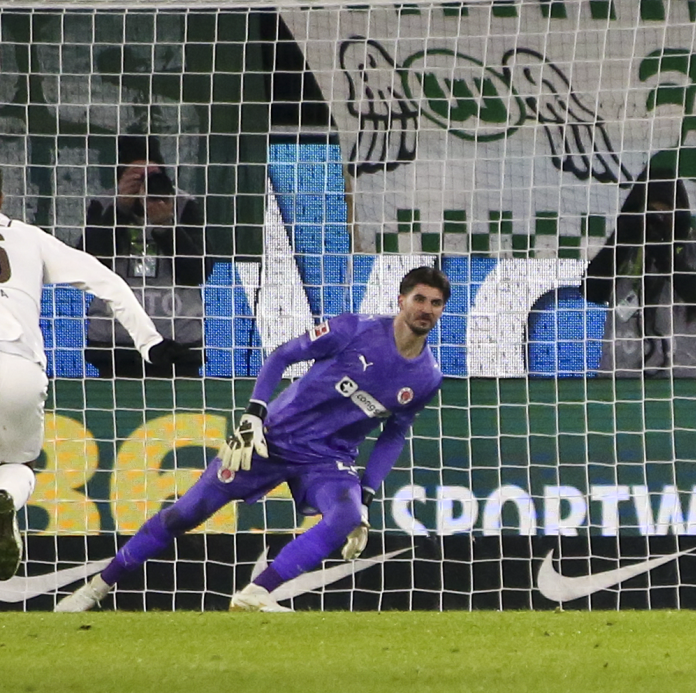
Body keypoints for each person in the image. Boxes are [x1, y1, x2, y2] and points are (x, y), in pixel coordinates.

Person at [56, 265, 449, 612]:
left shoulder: (427, 377)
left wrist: (366, 495)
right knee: (184, 514)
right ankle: (96, 588)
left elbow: (395, 433)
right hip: (272, 440)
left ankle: (256, 593)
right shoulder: (354, 329)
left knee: (345, 514)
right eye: (419, 299)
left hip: (327, 458)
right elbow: (281, 355)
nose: (426, 309)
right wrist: (254, 415)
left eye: (435, 303)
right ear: (401, 300)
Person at [0, 172, 194, 581]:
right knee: (19, 463)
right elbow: (109, 282)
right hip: (18, 371)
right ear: (1, 197)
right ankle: (7, 498)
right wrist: (151, 343)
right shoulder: (29, 237)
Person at [80, 134, 207, 378]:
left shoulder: (183, 204)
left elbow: (197, 272)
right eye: (137, 177)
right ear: (121, 176)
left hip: (176, 341)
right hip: (115, 341)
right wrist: (120, 209)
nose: (145, 185)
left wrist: (166, 226)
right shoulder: (104, 203)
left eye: (152, 176)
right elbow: (91, 267)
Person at [581, 168, 696, 377]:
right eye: (649, 213)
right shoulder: (625, 247)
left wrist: (663, 251)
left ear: (679, 212)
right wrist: (621, 236)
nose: (657, 221)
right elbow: (591, 291)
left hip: (684, 380)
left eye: (665, 213)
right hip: (620, 381)